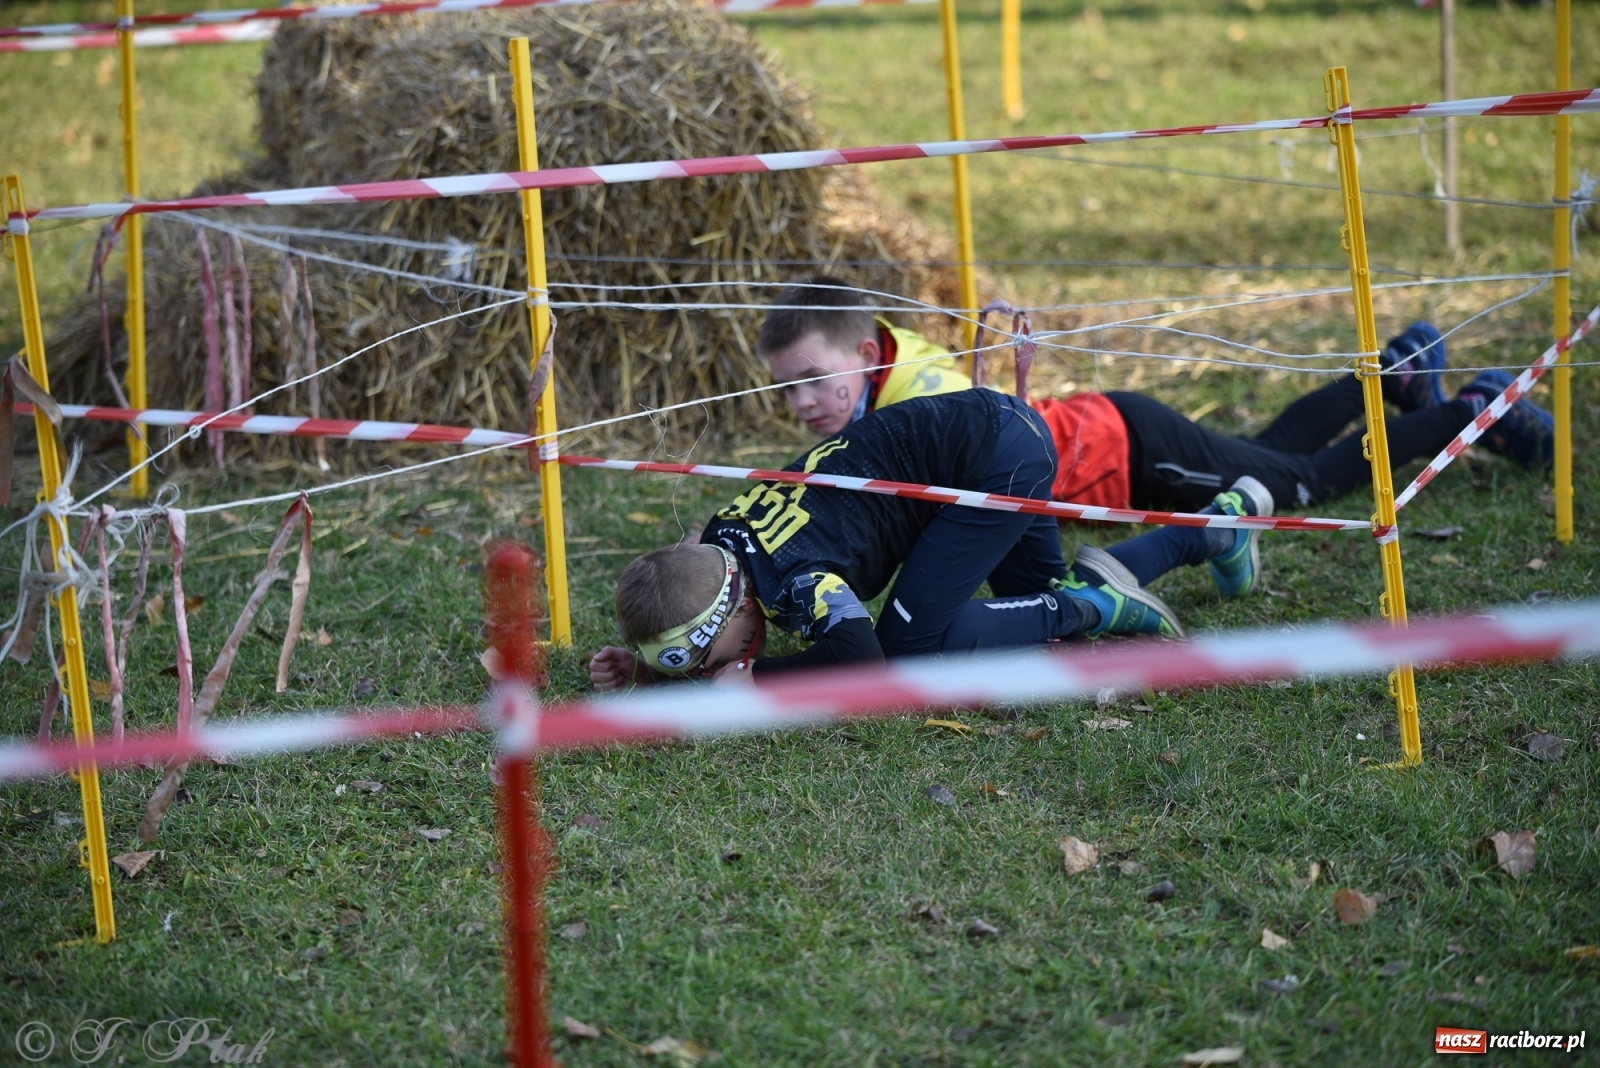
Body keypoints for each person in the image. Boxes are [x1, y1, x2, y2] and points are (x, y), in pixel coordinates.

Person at [756, 275, 1555, 590]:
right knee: (1274, 451)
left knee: (1302, 482)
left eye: (808, 381)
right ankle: (1398, 373)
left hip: (1124, 456)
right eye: (785, 389)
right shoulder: (882, 375)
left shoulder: (911, 388)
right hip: (1116, 432)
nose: (800, 405)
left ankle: (1478, 408)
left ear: (864, 353)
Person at [589, 389, 1183, 690]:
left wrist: (757, 678)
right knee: (1028, 596)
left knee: (907, 647)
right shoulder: (720, 543)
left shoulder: (794, 579)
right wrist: (645, 670)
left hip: (993, 461)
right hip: (985, 432)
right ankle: (1210, 534)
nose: (733, 662)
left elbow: (861, 657)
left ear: (741, 604)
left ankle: (1093, 607)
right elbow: (687, 562)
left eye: (722, 657)